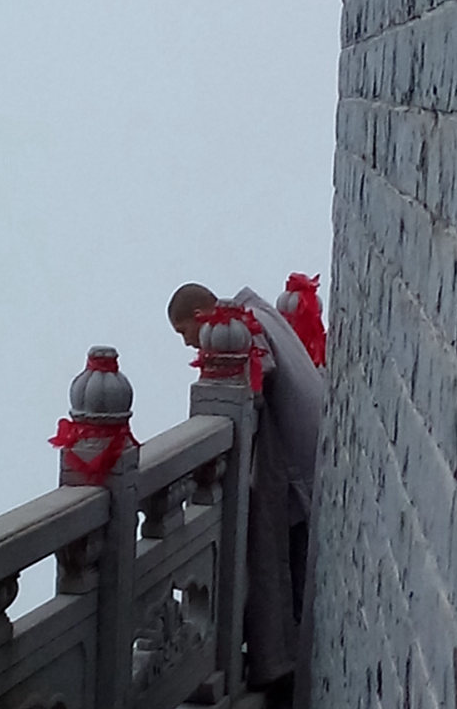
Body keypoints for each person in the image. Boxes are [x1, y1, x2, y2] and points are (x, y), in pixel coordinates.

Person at [167, 282, 323, 704]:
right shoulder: (259, 311)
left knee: (277, 566)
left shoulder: (242, 327)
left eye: (185, 333)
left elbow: (258, 373)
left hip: (293, 468)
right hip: (310, 455)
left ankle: (278, 668)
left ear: (200, 316)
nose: (188, 344)